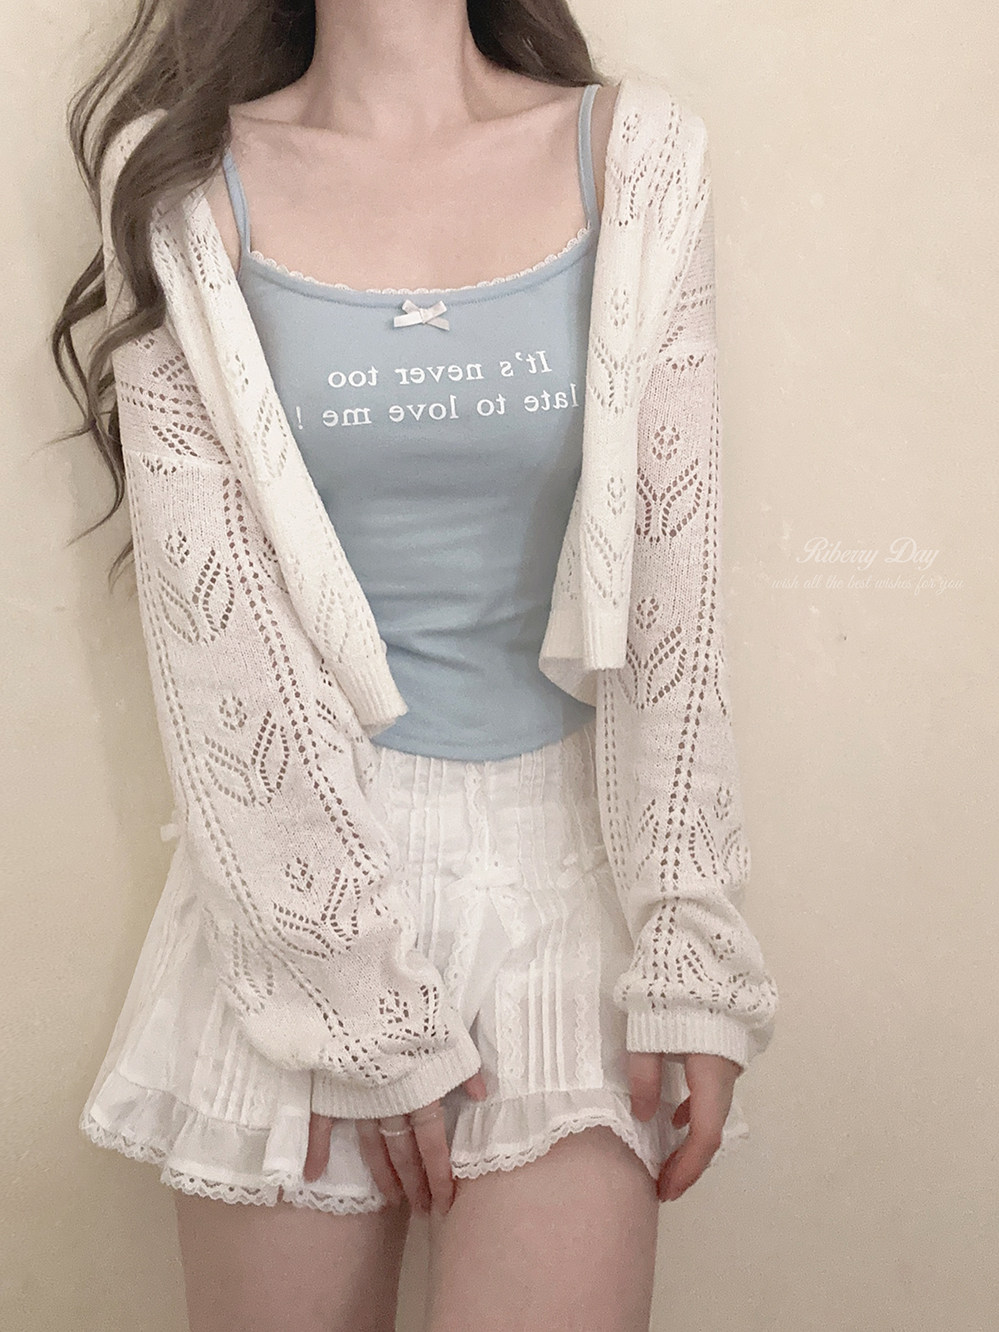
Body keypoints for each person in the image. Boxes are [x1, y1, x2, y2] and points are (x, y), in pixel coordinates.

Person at [54, 1, 779, 1328]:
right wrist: (356, 1002)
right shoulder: (180, 186)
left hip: (572, 890)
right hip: (294, 905)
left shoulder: (635, 155)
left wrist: (691, 939)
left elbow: (677, 582)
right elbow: (218, 643)